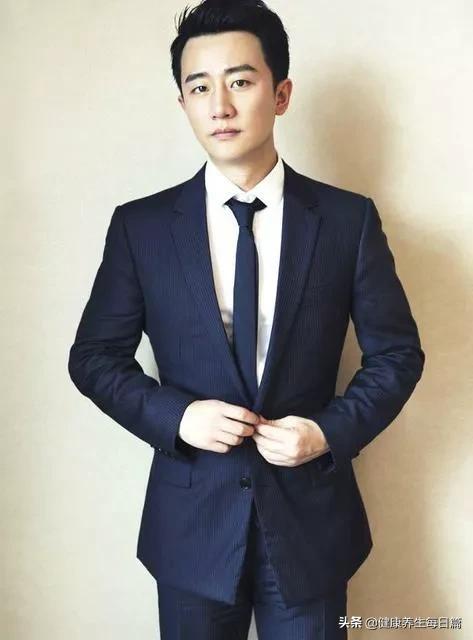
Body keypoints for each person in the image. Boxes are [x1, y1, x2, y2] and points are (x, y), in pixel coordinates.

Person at [67, 1, 425, 637]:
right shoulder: (141, 228)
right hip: (191, 529)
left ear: (280, 94)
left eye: (240, 81)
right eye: (200, 87)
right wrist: (178, 416)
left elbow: (397, 355)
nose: (220, 106)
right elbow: (93, 357)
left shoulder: (347, 221)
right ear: (183, 102)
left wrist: (327, 432)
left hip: (312, 528)